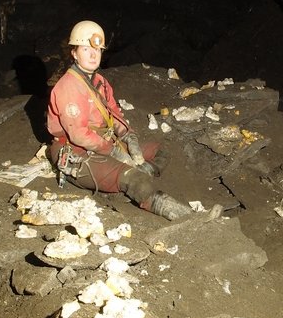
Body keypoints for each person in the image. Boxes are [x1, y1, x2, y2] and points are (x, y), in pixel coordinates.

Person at [46, 20, 193, 220]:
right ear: (74, 53)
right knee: (133, 178)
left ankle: (138, 175)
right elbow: (79, 135)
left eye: (97, 49)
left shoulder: (100, 82)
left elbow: (113, 114)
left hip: (105, 143)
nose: (93, 54)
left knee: (161, 148)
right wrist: (114, 152)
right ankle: (185, 216)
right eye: (86, 49)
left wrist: (128, 137)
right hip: (76, 151)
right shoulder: (69, 86)